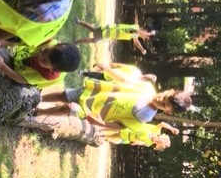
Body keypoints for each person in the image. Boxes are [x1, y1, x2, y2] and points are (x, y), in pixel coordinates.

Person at [35, 78, 192, 129]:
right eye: (164, 96)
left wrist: (101, 123)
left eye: (164, 105)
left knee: (69, 108)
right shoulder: (146, 87)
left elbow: (122, 125)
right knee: (65, 95)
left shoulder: (146, 116)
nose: (160, 100)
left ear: (167, 112)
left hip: (95, 112)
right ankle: (37, 99)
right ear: (169, 90)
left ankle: (38, 113)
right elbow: (122, 81)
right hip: (96, 94)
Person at [0, 40, 81, 89]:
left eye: (44, 61)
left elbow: (21, 79)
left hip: (27, 76)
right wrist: (2, 43)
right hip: (22, 57)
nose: (40, 55)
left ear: (52, 69)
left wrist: (3, 67)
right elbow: (24, 40)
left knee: (16, 84)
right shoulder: (49, 42)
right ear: (57, 44)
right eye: (46, 50)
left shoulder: (46, 75)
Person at [74, 20, 156, 55]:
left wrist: (141, 49)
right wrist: (149, 34)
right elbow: (137, 32)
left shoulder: (136, 32)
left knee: (93, 30)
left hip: (109, 31)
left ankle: (78, 21)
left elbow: (136, 41)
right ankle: (76, 41)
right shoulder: (135, 29)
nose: (145, 38)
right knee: (94, 40)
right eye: (146, 36)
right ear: (145, 31)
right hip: (109, 32)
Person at [99, 122, 178, 151]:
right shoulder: (156, 130)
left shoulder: (149, 143)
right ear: (159, 136)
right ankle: (100, 128)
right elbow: (162, 124)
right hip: (128, 128)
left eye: (156, 143)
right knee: (113, 128)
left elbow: (143, 143)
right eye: (158, 141)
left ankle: (102, 136)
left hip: (128, 137)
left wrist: (137, 143)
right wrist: (171, 128)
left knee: (114, 137)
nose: (155, 142)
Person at [80, 62, 157, 84]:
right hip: (111, 77)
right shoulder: (136, 74)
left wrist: (113, 65)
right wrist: (113, 65)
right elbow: (123, 66)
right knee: (97, 75)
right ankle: (84, 73)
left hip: (111, 80)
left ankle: (84, 74)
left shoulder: (136, 76)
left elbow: (122, 66)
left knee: (97, 76)